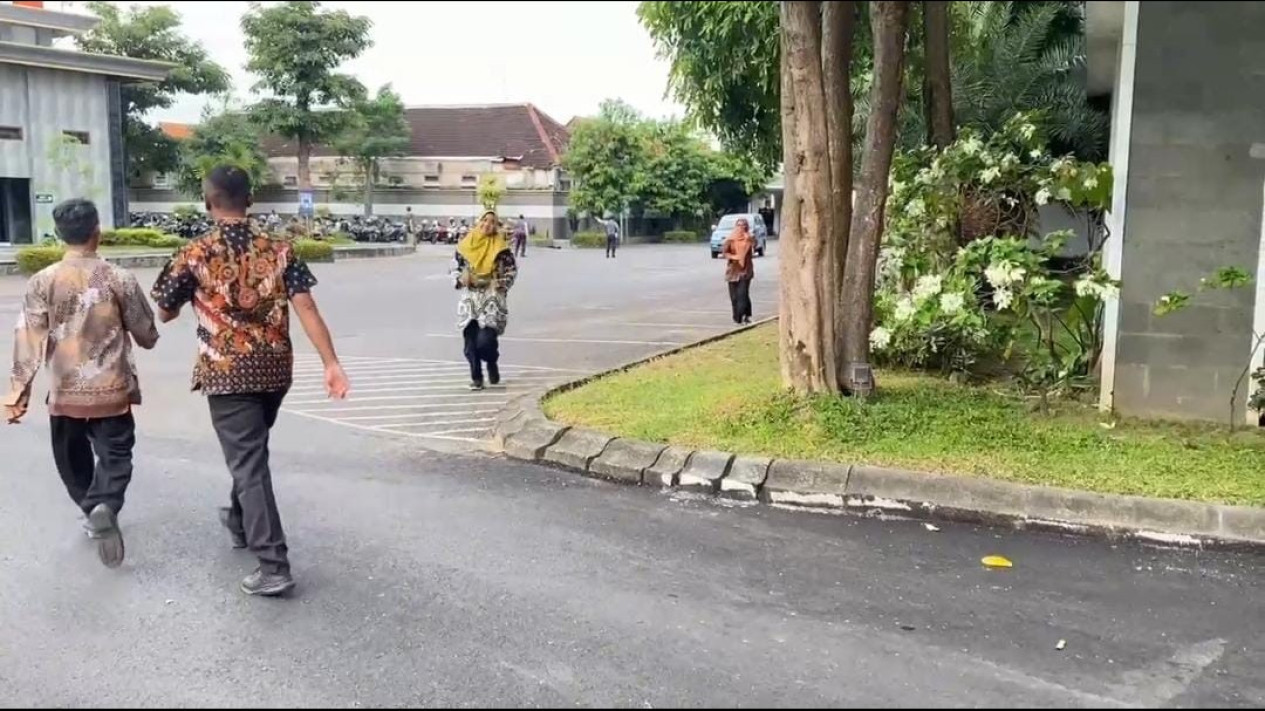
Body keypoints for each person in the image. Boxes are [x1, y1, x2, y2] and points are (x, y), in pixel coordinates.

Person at [151, 165, 350, 597]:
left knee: (248, 463)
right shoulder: (281, 249)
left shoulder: (195, 252)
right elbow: (307, 307)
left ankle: (273, 564)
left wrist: (195, 300)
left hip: (227, 373)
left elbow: (165, 311)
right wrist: (331, 363)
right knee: (252, 455)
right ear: (251, 198)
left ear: (208, 202)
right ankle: (240, 520)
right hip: (276, 370)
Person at [5, 198, 159, 569]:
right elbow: (146, 332)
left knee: (71, 459)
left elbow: (28, 339)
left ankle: (92, 509)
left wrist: (16, 394)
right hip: (112, 391)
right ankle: (105, 502)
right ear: (97, 232)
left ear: (59, 235)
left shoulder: (43, 280)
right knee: (116, 455)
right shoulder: (118, 278)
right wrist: (144, 331)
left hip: (64, 391)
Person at [452, 210, 518, 391]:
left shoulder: (501, 248)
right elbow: (454, 268)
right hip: (470, 299)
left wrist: (502, 283)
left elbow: (511, 270)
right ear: (479, 222)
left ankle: (491, 361)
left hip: (491, 298)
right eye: (484, 220)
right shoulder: (465, 245)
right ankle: (477, 378)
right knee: (469, 342)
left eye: (492, 222)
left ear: (496, 226)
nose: (487, 225)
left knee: (485, 342)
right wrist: (460, 278)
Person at [721, 217, 756, 325]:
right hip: (733, 271)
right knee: (734, 297)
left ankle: (744, 316)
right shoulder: (730, 239)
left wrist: (748, 238)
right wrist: (734, 257)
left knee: (743, 295)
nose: (741, 227)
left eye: (744, 225)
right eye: (739, 225)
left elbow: (755, 245)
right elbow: (724, 253)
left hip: (745, 271)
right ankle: (737, 317)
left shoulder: (749, 238)